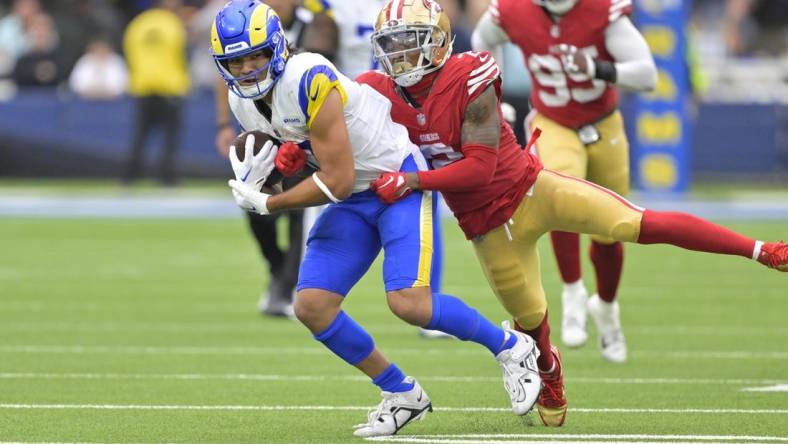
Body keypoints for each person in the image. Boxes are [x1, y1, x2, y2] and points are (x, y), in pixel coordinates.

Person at [336, 0, 788, 427]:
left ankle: (762, 250)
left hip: (534, 190)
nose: (399, 52)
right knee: (532, 325)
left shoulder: (469, 74)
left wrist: (413, 181)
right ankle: (549, 367)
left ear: (438, 41)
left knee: (636, 223)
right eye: (391, 42)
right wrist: (293, 154)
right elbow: (328, 115)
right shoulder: (376, 92)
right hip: (488, 229)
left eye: (410, 39)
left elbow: (479, 169)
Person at [211, 0, 543, 437]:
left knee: (410, 302)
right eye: (237, 61)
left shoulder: (309, 77)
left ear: (278, 46)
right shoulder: (244, 103)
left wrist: (271, 203)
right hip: (353, 192)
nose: (249, 68)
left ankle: (511, 346)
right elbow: (308, 160)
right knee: (311, 307)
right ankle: (401, 392)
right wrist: (273, 176)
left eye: (255, 55)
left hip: (394, 179)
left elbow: (338, 180)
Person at [471, 0, 658, 363]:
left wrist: (596, 68)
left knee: (615, 225)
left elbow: (647, 76)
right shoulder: (513, 10)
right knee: (560, 195)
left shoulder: (602, 11)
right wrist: (491, 95)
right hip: (553, 120)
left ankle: (606, 307)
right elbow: (483, 39)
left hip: (603, 122)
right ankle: (572, 293)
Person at [212, 0, 338, 317]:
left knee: (302, 209)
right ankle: (279, 271)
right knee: (251, 200)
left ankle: (289, 287)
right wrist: (224, 124)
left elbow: (311, 81)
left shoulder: (316, 31)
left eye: (256, 55)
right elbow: (232, 76)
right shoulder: (241, 34)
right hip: (274, 128)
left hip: (311, 130)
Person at [122, 0, 190, 186]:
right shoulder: (173, 24)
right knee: (170, 138)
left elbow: (129, 53)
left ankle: (130, 176)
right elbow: (183, 53)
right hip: (170, 88)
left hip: (143, 87)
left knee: (140, 137)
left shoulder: (138, 25)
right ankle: (167, 177)